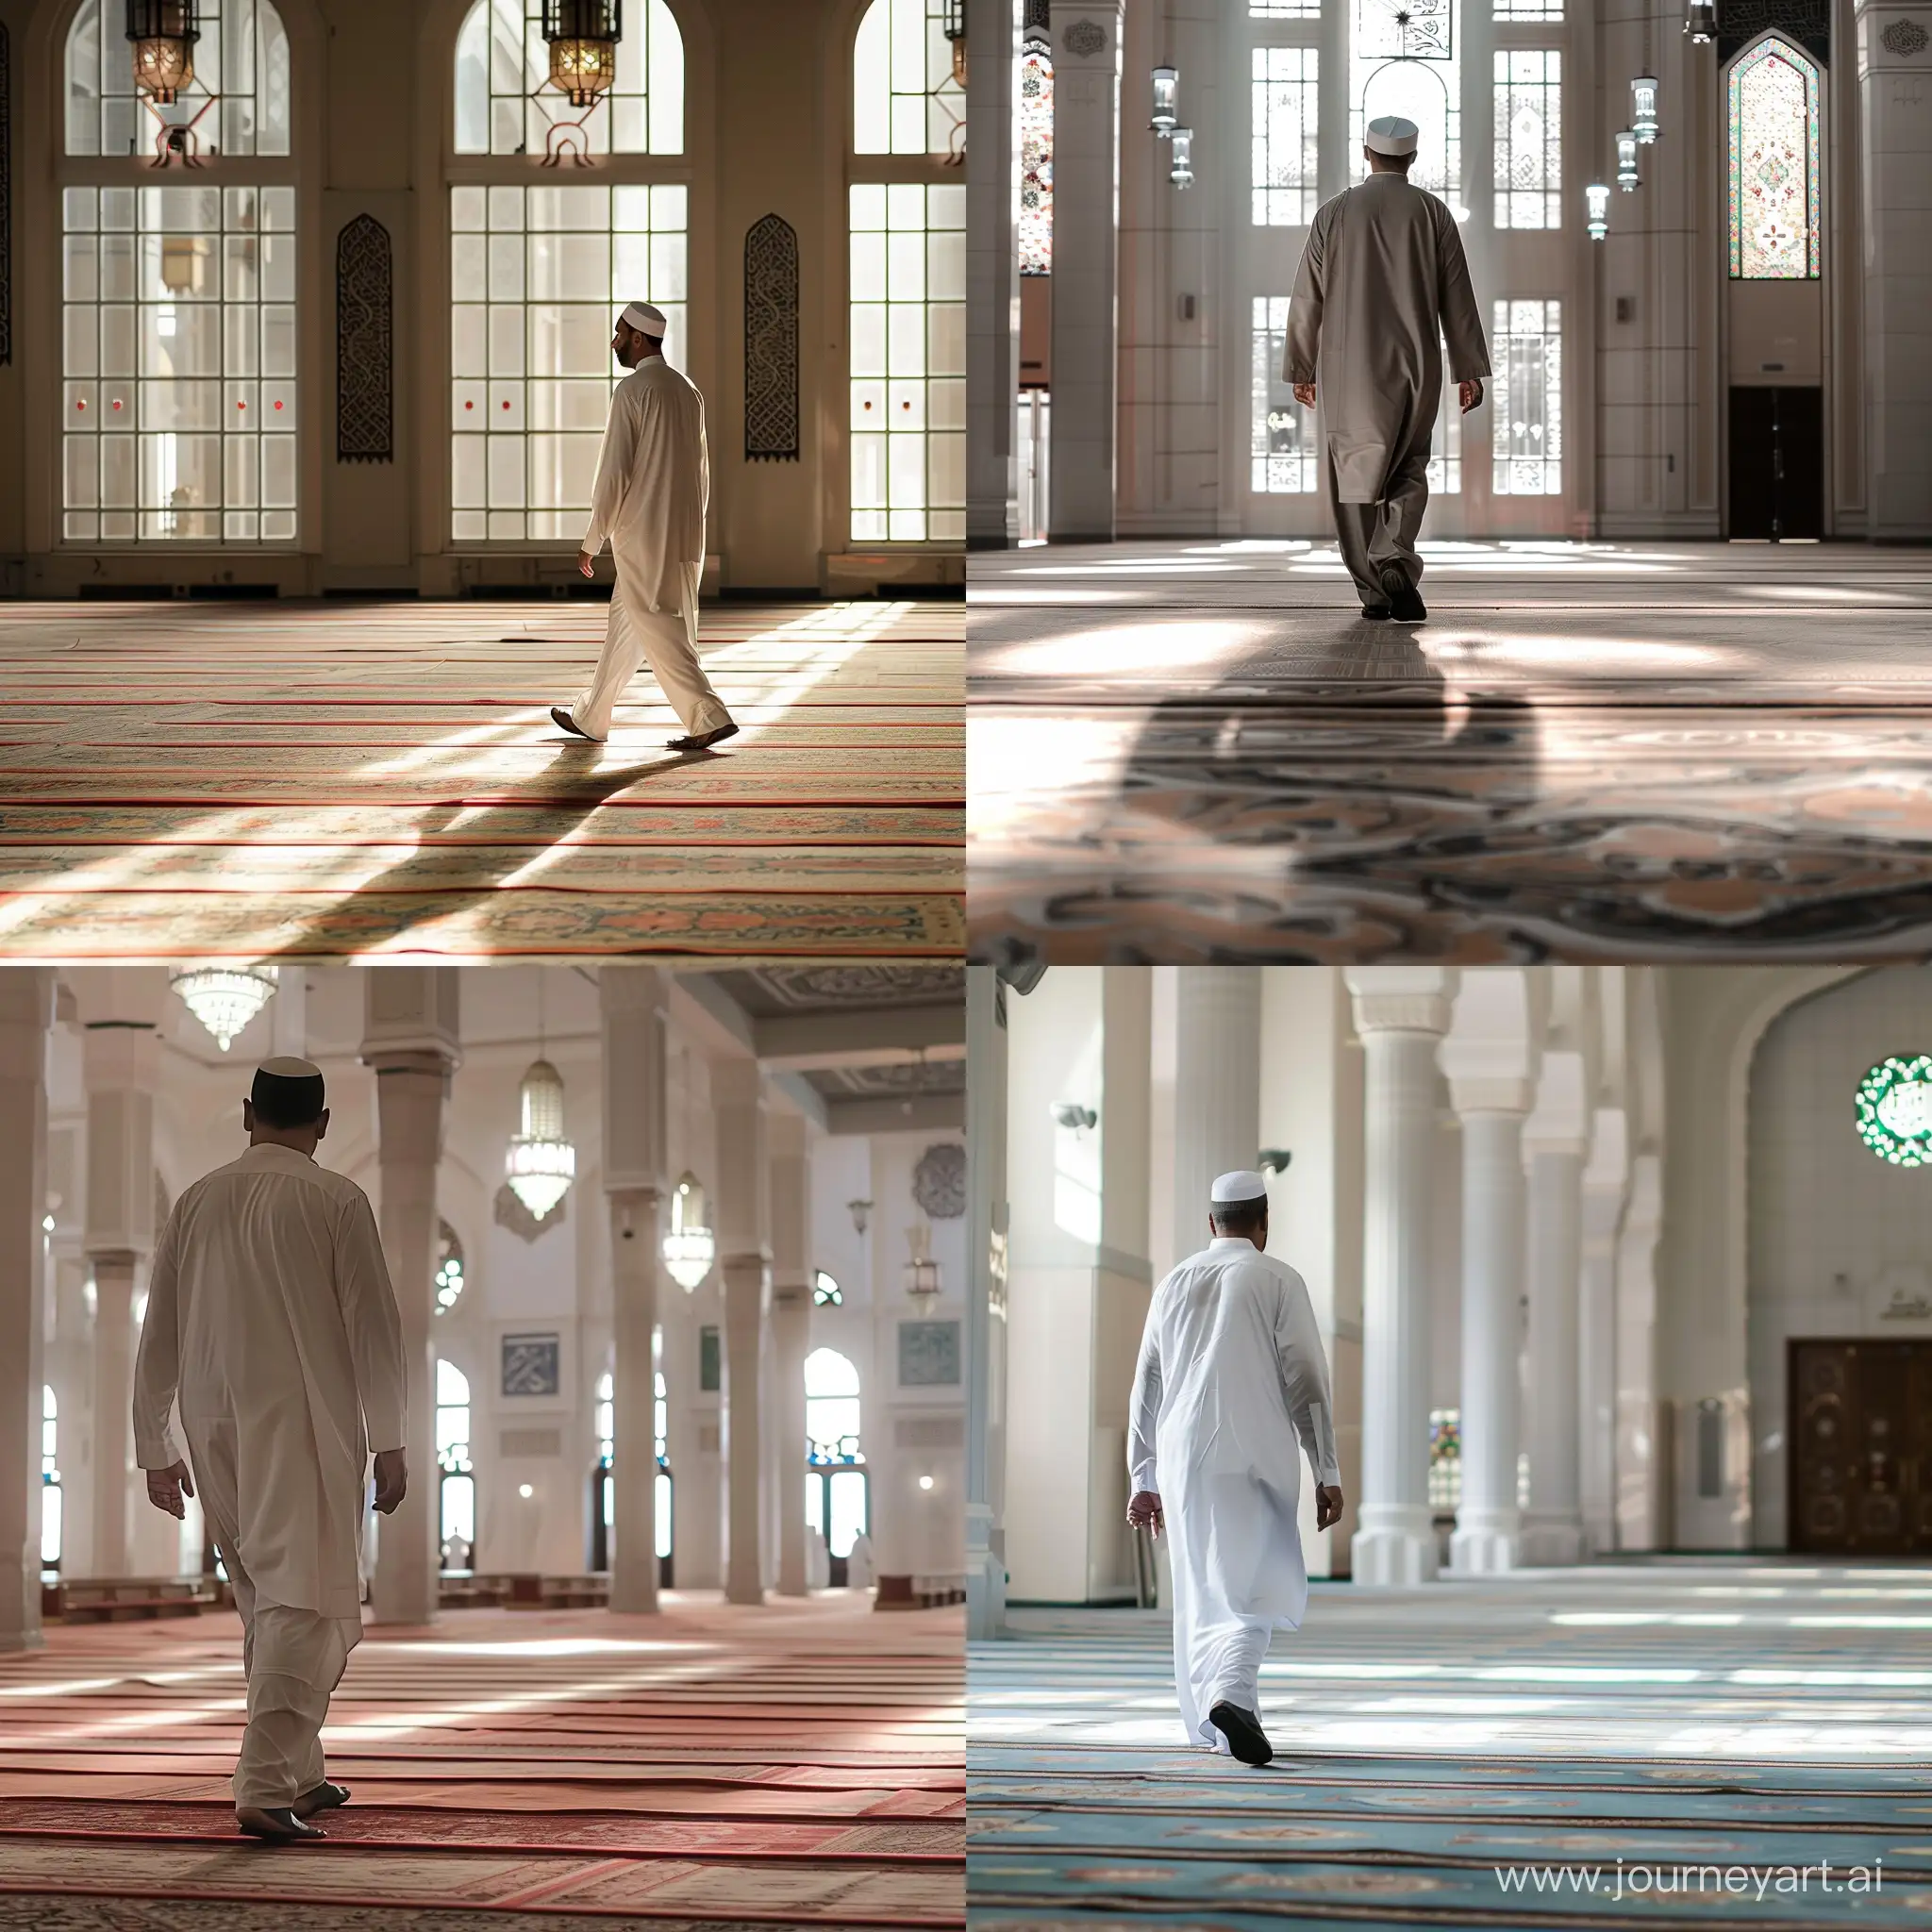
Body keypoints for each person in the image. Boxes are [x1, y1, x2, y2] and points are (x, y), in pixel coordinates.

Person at [134, 1058, 408, 1844]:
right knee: (308, 1597)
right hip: (302, 1419)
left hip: (212, 1418)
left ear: (248, 1113)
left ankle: (300, 1772)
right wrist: (389, 1441)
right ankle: (262, 1784)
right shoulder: (337, 1198)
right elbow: (374, 1329)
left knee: (264, 1593)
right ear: (323, 1124)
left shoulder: (197, 1199)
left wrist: (155, 1441)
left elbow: (161, 1329)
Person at [1126, 1171, 1343, 1767]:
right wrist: (1326, 1467)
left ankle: (1216, 1724)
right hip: (1254, 1451)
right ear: (1264, 1220)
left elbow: (1147, 1382)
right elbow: (1307, 1381)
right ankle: (1233, 1697)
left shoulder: (1174, 1282)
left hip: (1181, 1458)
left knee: (1201, 1590)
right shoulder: (1277, 1278)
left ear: (1211, 1222)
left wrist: (1142, 1477)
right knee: (1259, 1586)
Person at [1283, 114, 1490, 624]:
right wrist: (1468, 367)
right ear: (1412, 158)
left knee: (1353, 474)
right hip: (1416, 358)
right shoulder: (1432, 212)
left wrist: (1301, 365)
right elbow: (1457, 295)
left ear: (1366, 153)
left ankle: (1373, 591)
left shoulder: (1333, 213)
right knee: (1408, 463)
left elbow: (1308, 295)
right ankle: (1394, 553)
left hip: (1348, 365)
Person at [551, 302, 738, 752]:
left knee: (658, 622)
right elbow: (702, 470)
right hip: (683, 530)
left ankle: (708, 716)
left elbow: (615, 472)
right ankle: (591, 715)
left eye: (618, 334)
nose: (614, 342)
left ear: (638, 338)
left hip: (642, 532)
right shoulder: (687, 389)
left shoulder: (633, 389)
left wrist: (593, 539)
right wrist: (696, 523)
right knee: (628, 623)